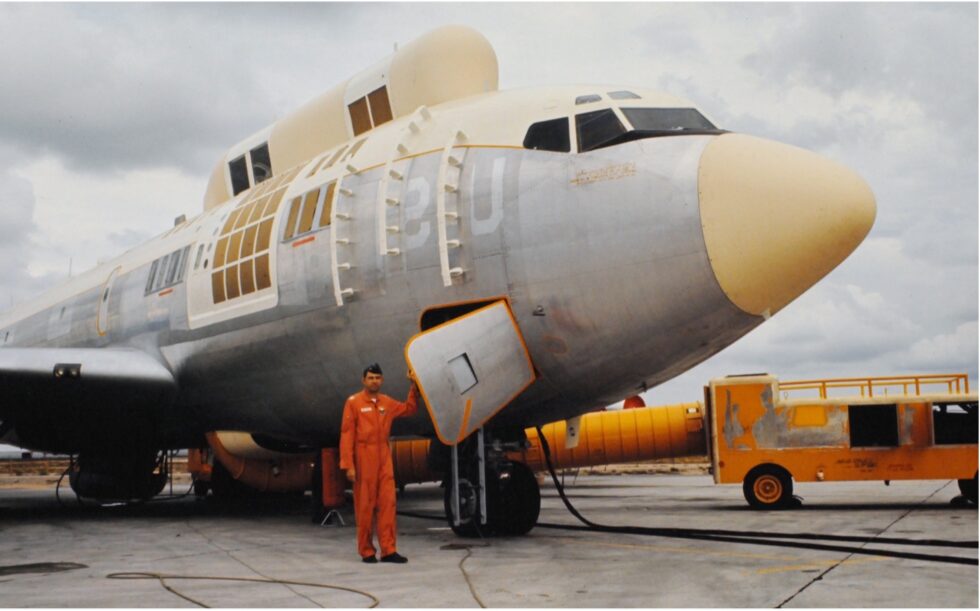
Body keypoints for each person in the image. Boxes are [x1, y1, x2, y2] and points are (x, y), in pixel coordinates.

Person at [339, 363, 418, 564]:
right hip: (363, 457)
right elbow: (347, 434)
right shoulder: (354, 403)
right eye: (371, 378)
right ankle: (366, 550)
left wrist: (413, 386)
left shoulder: (387, 402)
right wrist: (348, 465)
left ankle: (389, 550)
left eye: (377, 378)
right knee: (365, 506)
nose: (374, 381)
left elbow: (409, 409)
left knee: (388, 504)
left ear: (382, 380)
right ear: (364, 380)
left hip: (383, 456)